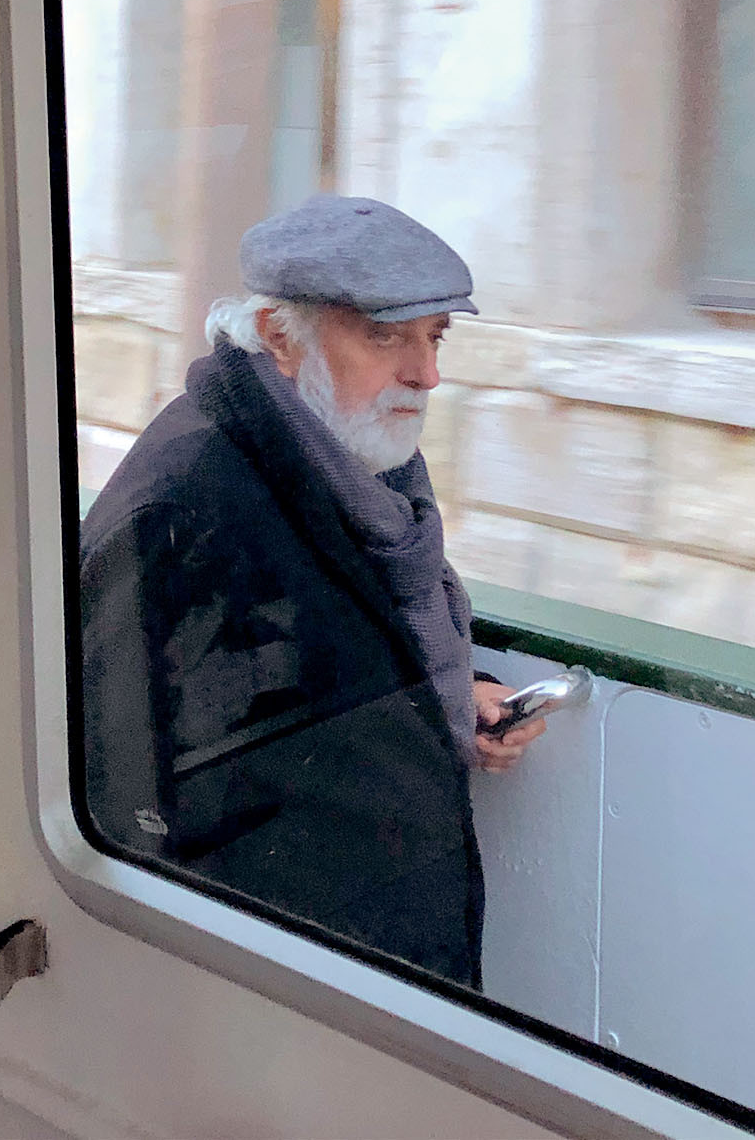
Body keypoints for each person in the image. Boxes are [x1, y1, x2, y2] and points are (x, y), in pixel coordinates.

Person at [78, 194, 545, 990]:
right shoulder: (183, 507)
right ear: (277, 336)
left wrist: (444, 696)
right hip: (280, 982)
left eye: (434, 336)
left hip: (375, 951)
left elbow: (311, 665)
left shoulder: (348, 467)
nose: (426, 373)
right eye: (384, 336)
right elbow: (115, 789)